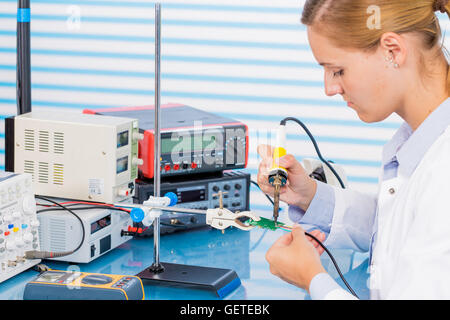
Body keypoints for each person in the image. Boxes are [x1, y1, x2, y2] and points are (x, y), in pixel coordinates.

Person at [257, 0, 450, 299]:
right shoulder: (421, 141)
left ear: (392, 51)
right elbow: (403, 223)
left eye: (337, 70)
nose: (329, 88)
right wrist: (309, 196)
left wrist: (313, 280)